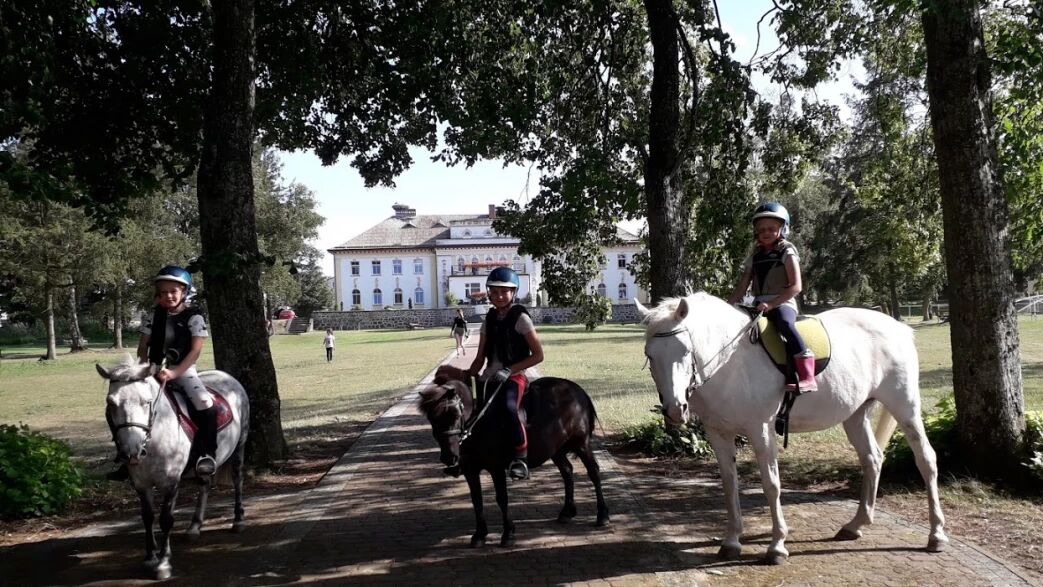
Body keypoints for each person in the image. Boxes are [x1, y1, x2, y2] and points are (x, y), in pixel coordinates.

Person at [108, 265, 217, 481]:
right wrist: (144, 369)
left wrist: (175, 373)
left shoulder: (194, 317)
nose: (168, 296)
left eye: (173, 291)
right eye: (163, 292)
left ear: (184, 292)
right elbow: (143, 347)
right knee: (117, 403)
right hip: (151, 370)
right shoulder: (152, 316)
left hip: (183, 370)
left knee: (205, 402)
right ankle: (125, 453)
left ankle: (207, 454)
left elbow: (195, 351)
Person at [727, 202, 817, 393]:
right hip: (759, 304)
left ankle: (807, 374)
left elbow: (796, 286)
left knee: (784, 323)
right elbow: (742, 286)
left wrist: (772, 304)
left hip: (783, 302)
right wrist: (728, 305)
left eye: (771, 228)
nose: (765, 233)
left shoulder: (787, 251)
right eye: (761, 230)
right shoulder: (755, 255)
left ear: (782, 229)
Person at [467, 267, 544, 480]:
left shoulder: (521, 319)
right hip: (489, 377)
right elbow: (480, 358)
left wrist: (510, 370)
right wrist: (468, 374)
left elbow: (538, 355)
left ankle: (520, 457)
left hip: (514, 376)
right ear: (489, 293)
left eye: (504, 291)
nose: (499, 296)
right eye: (494, 292)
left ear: (513, 292)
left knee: (509, 408)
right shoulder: (489, 320)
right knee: (471, 411)